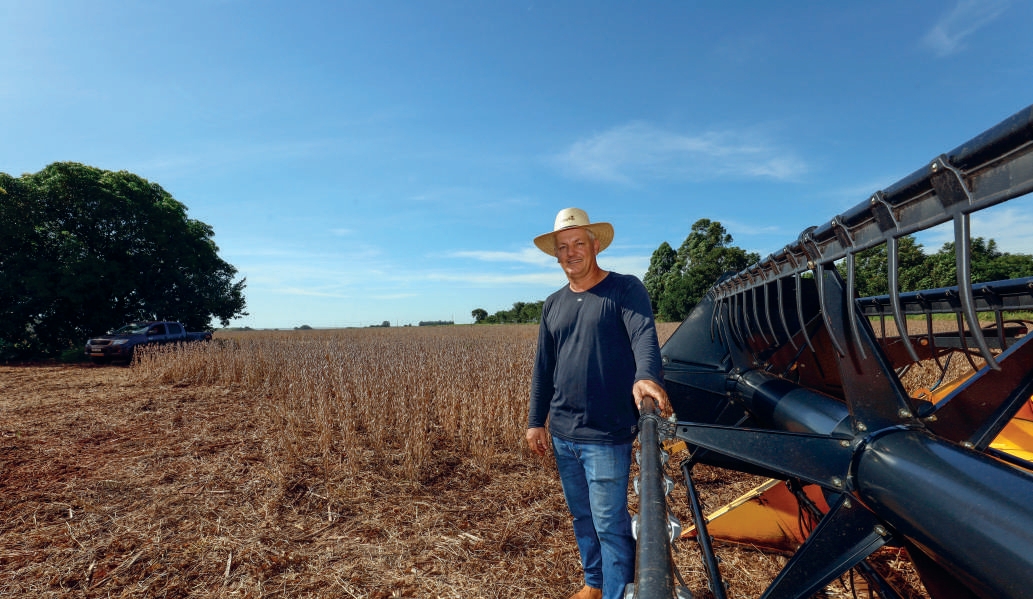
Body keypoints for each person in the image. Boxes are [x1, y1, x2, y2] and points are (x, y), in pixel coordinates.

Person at [526, 207, 670, 599]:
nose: (570, 252)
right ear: (556, 255)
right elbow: (544, 366)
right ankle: (594, 583)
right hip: (563, 434)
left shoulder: (624, 289)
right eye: (562, 247)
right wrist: (536, 421)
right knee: (582, 516)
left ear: (595, 246)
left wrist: (646, 375)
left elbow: (643, 335)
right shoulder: (553, 304)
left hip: (606, 434)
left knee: (609, 523)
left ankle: (616, 592)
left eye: (578, 243)